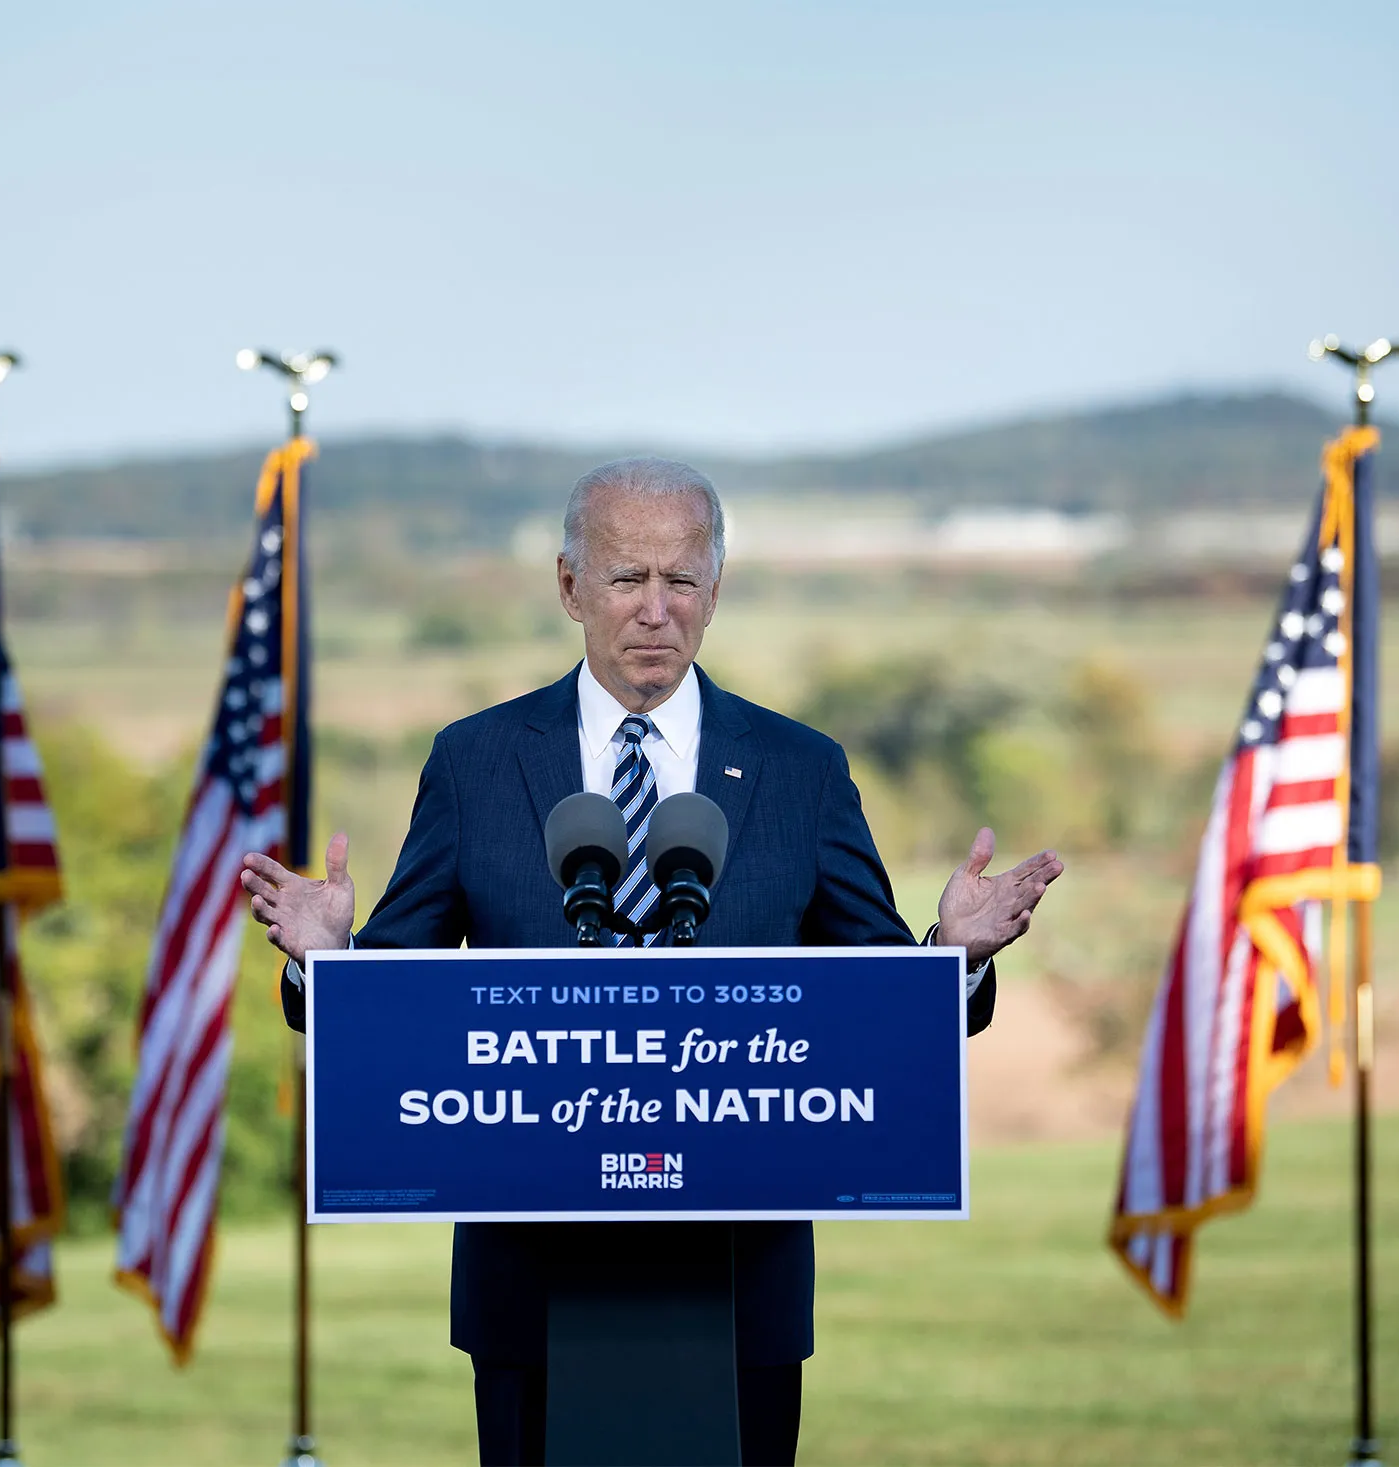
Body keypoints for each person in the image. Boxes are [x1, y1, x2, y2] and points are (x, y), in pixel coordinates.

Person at [241, 456, 1064, 1466]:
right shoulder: (477, 760)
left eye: (681, 581)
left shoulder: (799, 769)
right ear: (568, 585)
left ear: (714, 591)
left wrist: (952, 957)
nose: (654, 611)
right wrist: (329, 966)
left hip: (738, 1280)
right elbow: (402, 1005)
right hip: (530, 1283)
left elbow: (871, 1010)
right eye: (627, 579)